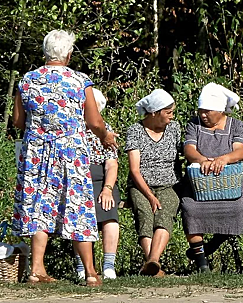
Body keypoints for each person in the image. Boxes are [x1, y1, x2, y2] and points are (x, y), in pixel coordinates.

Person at [12, 30, 118, 287]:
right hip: (70, 154)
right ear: (68, 54)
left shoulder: (27, 81)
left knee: (39, 204)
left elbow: (17, 121)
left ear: (46, 53)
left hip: (36, 154)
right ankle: (91, 273)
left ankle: (37, 269)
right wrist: (106, 136)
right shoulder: (80, 81)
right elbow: (94, 121)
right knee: (78, 206)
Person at [181, 82, 243, 273]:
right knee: (190, 208)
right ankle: (202, 261)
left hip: (229, 184)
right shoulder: (194, 125)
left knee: (239, 207)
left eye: (208, 111)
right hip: (199, 184)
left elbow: (240, 150)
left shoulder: (236, 126)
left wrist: (224, 159)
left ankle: (214, 243)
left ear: (220, 110)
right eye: (201, 110)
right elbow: (189, 148)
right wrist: (202, 159)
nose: (203, 115)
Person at [125, 89, 181, 277]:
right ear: (155, 113)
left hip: (168, 184)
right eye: (168, 112)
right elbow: (134, 170)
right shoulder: (135, 130)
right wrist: (149, 195)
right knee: (145, 214)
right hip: (141, 185)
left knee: (166, 211)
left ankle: (152, 260)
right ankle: (154, 266)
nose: (171, 117)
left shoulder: (174, 128)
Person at [73, 88, 120, 280]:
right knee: (76, 217)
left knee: (109, 214)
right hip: (77, 178)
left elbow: (111, 163)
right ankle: (81, 266)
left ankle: (109, 265)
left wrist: (107, 189)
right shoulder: (72, 130)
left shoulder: (105, 131)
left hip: (101, 178)